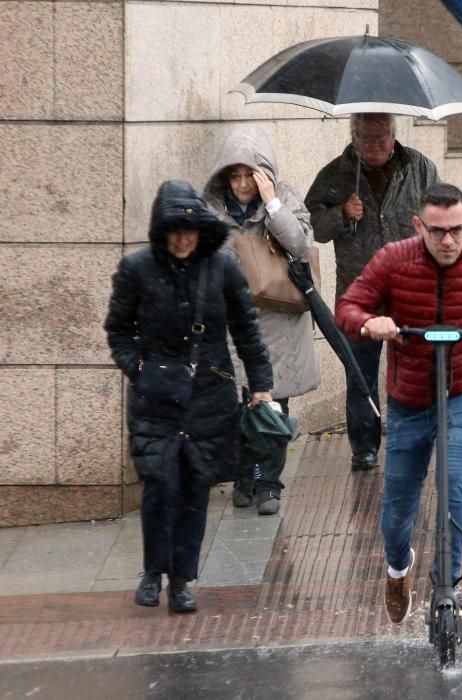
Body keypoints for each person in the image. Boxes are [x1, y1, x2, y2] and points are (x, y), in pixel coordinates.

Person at [335, 183, 462, 624]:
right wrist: (371, 321)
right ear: (419, 226)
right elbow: (348, 308)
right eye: (436, 231)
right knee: (397, 510)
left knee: (453, 481)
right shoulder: (393, 259)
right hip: (409, 399)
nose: (447, 241)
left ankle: (446, 586)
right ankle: (398, 569)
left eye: (455, 230)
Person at [104, 180, 273, 612]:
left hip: (208, 395)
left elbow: (248, 332)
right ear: (161, 231)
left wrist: (261, 386)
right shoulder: (136, 269)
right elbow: (119, 331)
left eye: (189, 229)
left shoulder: (224, 268)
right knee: (160, 484)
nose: (182, 237)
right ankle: (151, 572)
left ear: (200, 230)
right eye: (173, 229)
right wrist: (138, 368)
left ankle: (181, 580)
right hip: (156, 396)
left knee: (195, 488)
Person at [305, 113, 439, 472]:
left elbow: (439, 216)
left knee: (413, 368)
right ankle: (364, 446)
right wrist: (341, 214)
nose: (376, 146)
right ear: (353, 138)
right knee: (360, 371)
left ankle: (410, 437)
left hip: (410, 288)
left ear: (395, 136)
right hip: (360, 292)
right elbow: (312, 226)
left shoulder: (419, 167)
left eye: (382, 139)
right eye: (366, 139)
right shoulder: (335, 174)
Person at [203, 125, 320, 515]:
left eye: (249, 176)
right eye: (233, 176)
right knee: (240, 405)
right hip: (234, 322)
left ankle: (269, 483)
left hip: (279, 319)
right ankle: (246, 475)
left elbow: (302, 246)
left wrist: (272, 205)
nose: (240, 185)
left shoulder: (284, 198)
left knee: (272, 407)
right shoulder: (211, 208)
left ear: (264, 174)